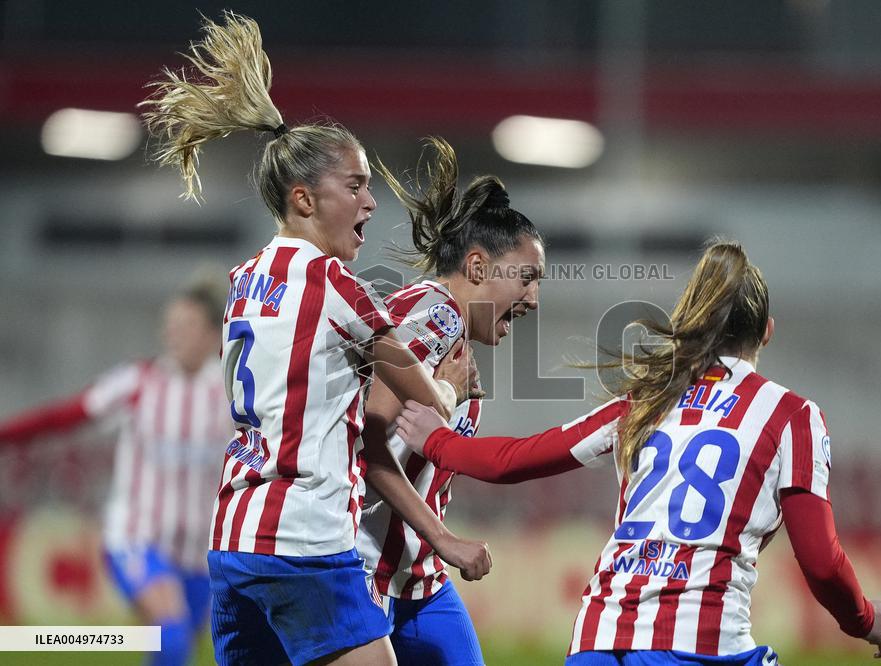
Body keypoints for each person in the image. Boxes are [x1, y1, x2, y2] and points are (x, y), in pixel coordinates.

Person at [141, 13, 490, 666]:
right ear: (303, 199)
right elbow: (419, 390)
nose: (371, 203)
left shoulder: (243, 281)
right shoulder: (333, 282)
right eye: (355, 186)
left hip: (233, 540)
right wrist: (449, 388)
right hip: (304, 541)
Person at [394, 241, 881, 664]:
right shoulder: (792, 416)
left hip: (597, 641)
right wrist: (865, 619)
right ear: (766, 330)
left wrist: (437, 439)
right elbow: (822, 561)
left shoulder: (645, 401)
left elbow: (514, 461)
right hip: (701, 647)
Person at [356, 137, 544, 665]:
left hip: (417, 581)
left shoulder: (450, 333)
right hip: (364, 567)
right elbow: (366, 440)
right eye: (527, 278)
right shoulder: (434, 314)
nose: (534, 299)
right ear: (479, 267)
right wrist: (446, 539)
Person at [0, 282, 231, 666]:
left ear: (211, 335)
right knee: (170, 637)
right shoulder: (139, 382)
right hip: (135, 537)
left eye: (187, 325)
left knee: (175, 650)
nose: (174, 334)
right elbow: (64, 416)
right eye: (171, 324)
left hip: (196, 553)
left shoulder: (231, 395)